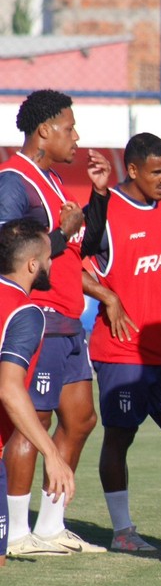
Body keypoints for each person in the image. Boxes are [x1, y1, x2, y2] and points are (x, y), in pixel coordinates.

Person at [80, 132, 161, 552]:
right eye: (157, 172)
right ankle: (122, 532)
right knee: (121, 437)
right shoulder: (107, 210)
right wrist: (109, 296)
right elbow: (70, 266)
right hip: (121, 350)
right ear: (133, 170)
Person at [0, 89, 111, 555]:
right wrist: (61, 234)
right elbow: (8, 247)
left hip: (68, 316)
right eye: (68, 127)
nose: (76, 136)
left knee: (82, 419)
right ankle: (18, 532)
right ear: (43, 131)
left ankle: (50, 525)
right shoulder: (14, 180)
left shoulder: (53, 181)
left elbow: (81, 246)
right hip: (37, 315)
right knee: (34, 420)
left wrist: (99, 198)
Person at [0, 218, 75, 566]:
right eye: (48, 257)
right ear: (32, 265)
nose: (50, 264)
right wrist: (52, 454)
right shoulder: (25, 312)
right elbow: (9, 389)